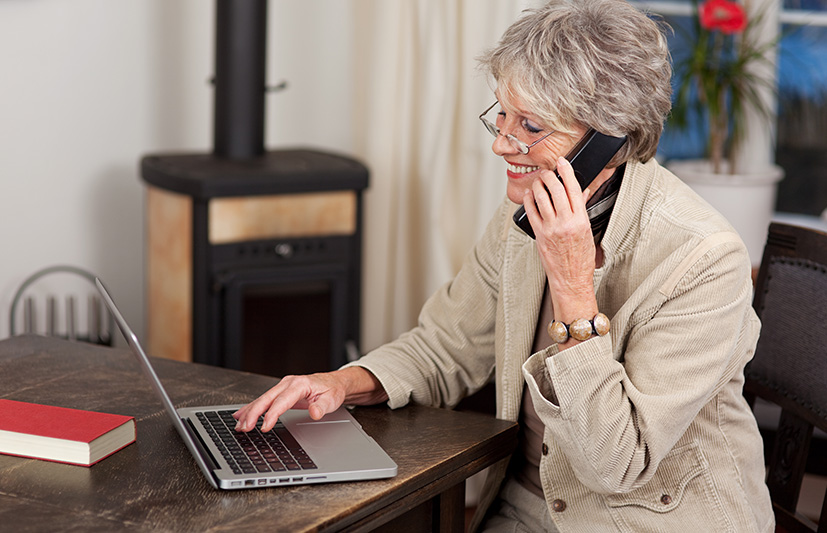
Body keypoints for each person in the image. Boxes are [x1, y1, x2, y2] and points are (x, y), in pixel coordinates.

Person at [234, 0, 774, 530]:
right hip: (523, 507)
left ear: (607, 139)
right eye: (502, 115)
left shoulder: (704, 259)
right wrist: (339, 383)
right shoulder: (523, 214)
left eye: (531, 127)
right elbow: (444, 345)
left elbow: (617, 466)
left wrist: (571, 282)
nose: (500, 144)